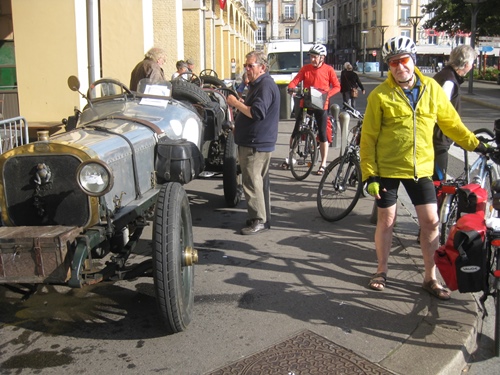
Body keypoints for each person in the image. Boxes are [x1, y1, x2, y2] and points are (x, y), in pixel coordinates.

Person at [360, 36, 486, 300]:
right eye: (393, 62)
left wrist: (476, 144)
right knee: (387, 220)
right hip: (388, 170)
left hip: (421, 169)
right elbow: (368, 137)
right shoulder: (380, 95)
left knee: (431, 221)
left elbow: (451, 123)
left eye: (403, 60)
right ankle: (381, 270)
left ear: (413, 61)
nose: (399, 67)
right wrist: (369, 174)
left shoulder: (431, 88)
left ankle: (430, 277)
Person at [226, 51, 280, 235]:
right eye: (245, 66)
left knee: (252, 181)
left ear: (262, 67)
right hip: (256, 140)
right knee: (258, 181)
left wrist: (235, 103)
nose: (247, 69)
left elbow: (257, 112)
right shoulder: (260, 85)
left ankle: (258, 220)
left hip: (256, 143)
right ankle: (263, 217)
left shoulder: (264, 86)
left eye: (251, 66)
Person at [287, 44, 341, 175]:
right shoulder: (306, 69)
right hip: (306, 102)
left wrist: (327, 94)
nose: (312, 59)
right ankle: (291, 157)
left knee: (322, 134)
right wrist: (291, 87)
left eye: (315, 57)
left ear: (322, 58)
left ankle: (323, 164)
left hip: (321, 105)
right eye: (311, 57)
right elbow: (295, 81)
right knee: (296, 131)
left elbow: (337, 86)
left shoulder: (329, 70)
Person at [432, 45, 477, 181]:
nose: (472, 66)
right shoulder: (449, 81)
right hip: (439, 138)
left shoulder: (445, 75)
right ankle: (437, 201)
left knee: (436, 177)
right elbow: (441, 110)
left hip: (438, 136)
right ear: (466, 63)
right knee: (438, 179)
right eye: (472, 62)